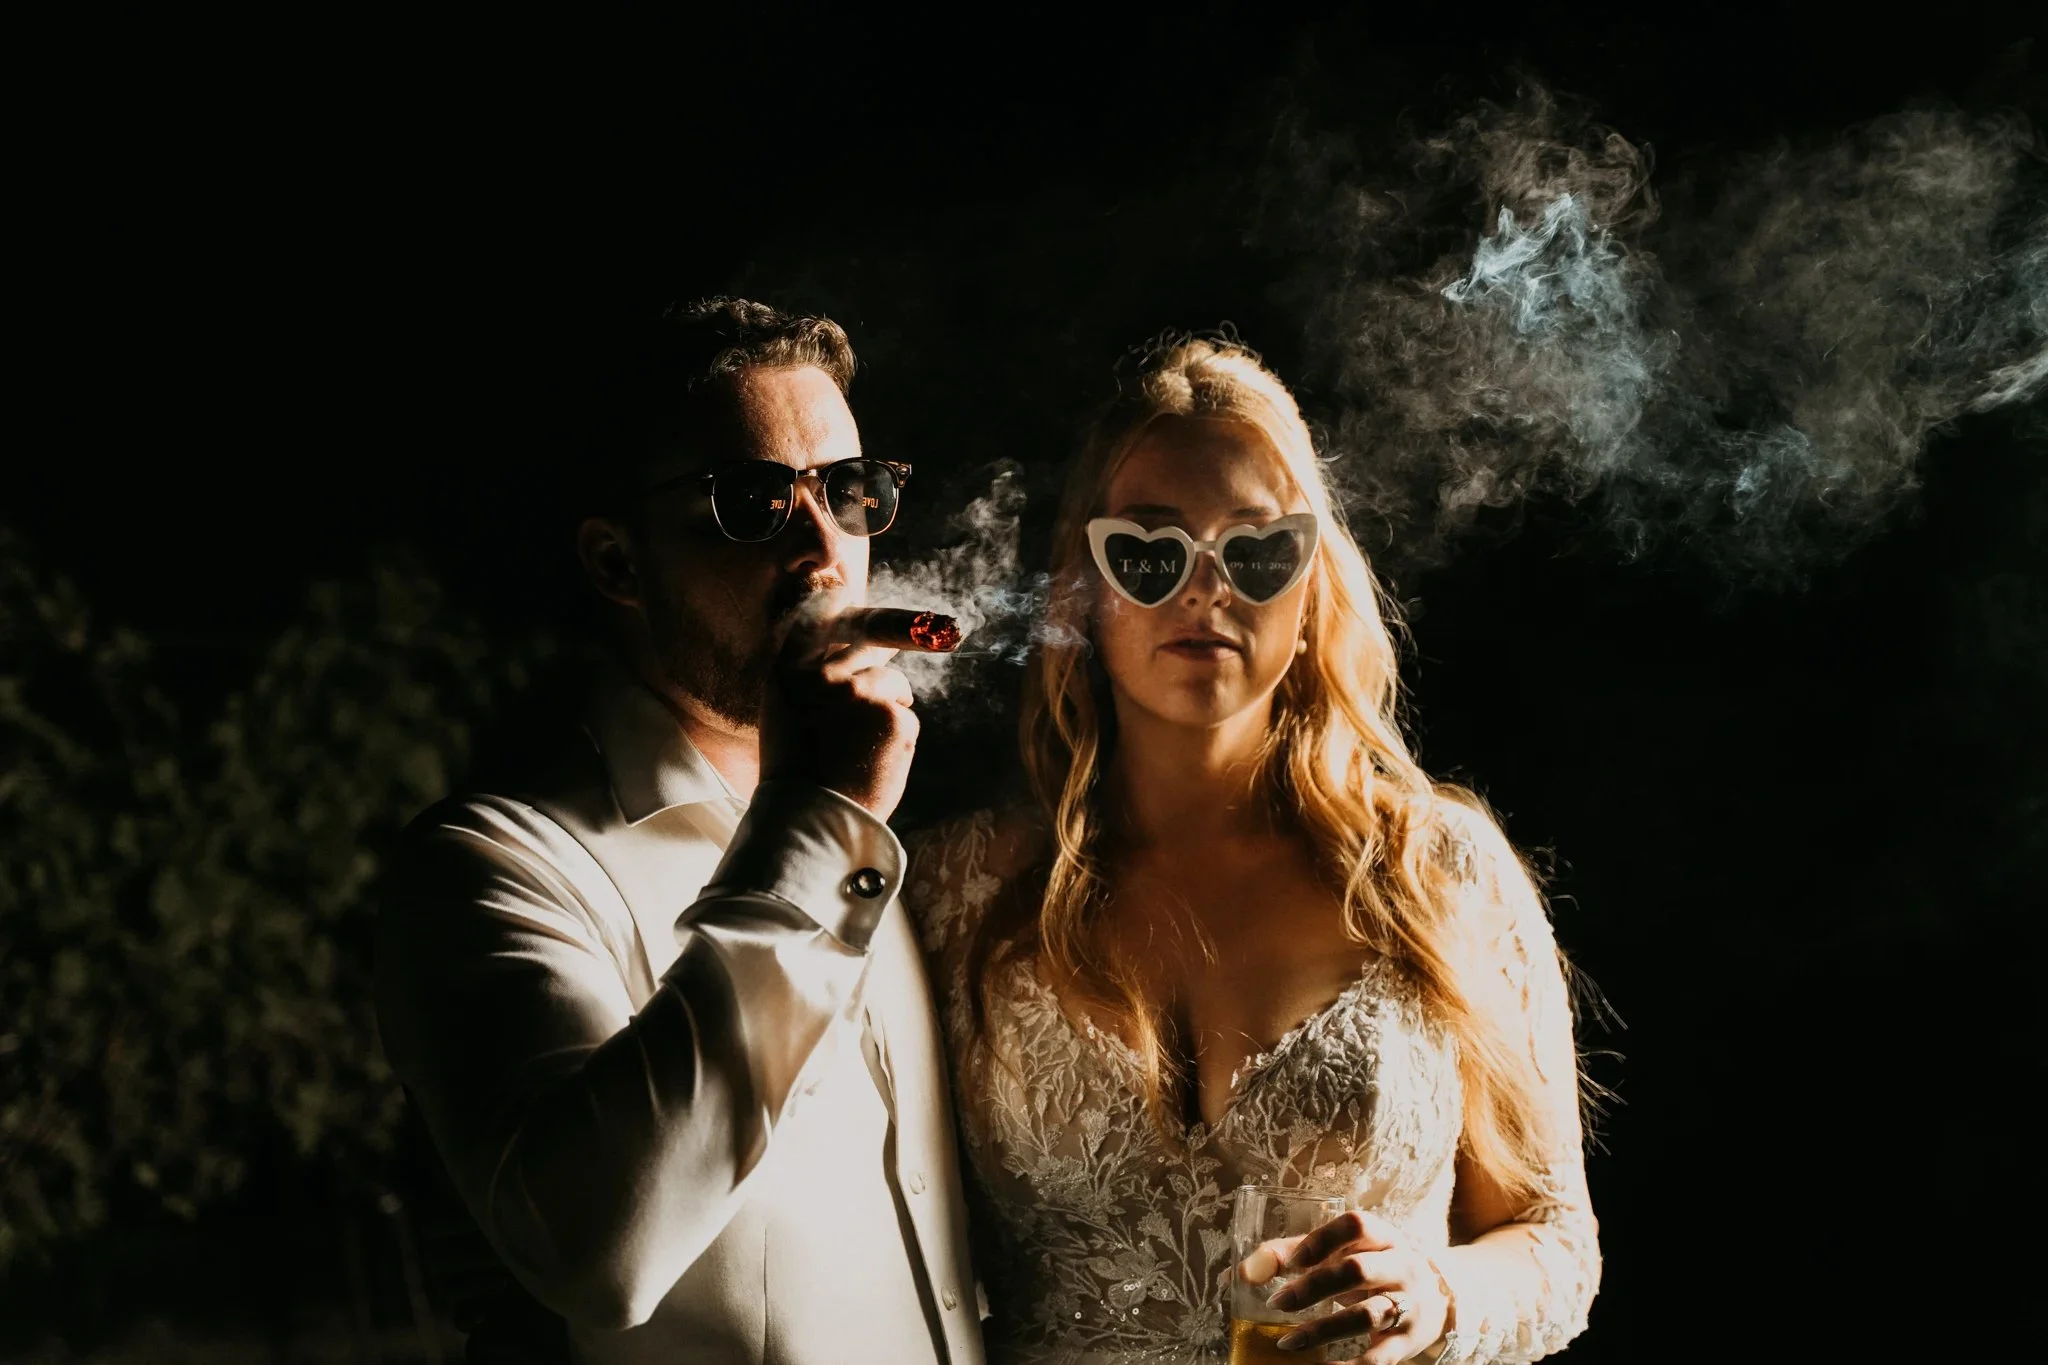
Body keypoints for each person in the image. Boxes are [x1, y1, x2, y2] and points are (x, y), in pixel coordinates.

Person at [906, 336, 1600, 1364]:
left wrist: (1436, 1292)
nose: (1204, 591)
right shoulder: (951, 891)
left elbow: (1556, 1245)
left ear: (1310, 582)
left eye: (1253, 548)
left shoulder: (1437, 872)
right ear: (1083, 587)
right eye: (1148, 549)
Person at [375, 298, 985, 1365]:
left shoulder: (879, 846)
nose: (821, 547)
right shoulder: (492, 867)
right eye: (751, 501)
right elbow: (598, 1257)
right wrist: (822, 825)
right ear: (617, 563)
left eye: (848, 492)